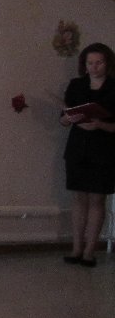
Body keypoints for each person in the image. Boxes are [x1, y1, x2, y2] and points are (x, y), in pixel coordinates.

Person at [59, 42, 115, 268]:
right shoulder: (76, 85)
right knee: (79, 198)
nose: (94, 67)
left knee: (97, 199)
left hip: (104, 151)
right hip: (78, 148)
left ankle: (90, 251)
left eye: (99, 62)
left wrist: (100, 124)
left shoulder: (114, 87)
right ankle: (76, 249)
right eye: (90, 63)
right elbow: (63, 119)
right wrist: (68, 118)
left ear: (107, 63)